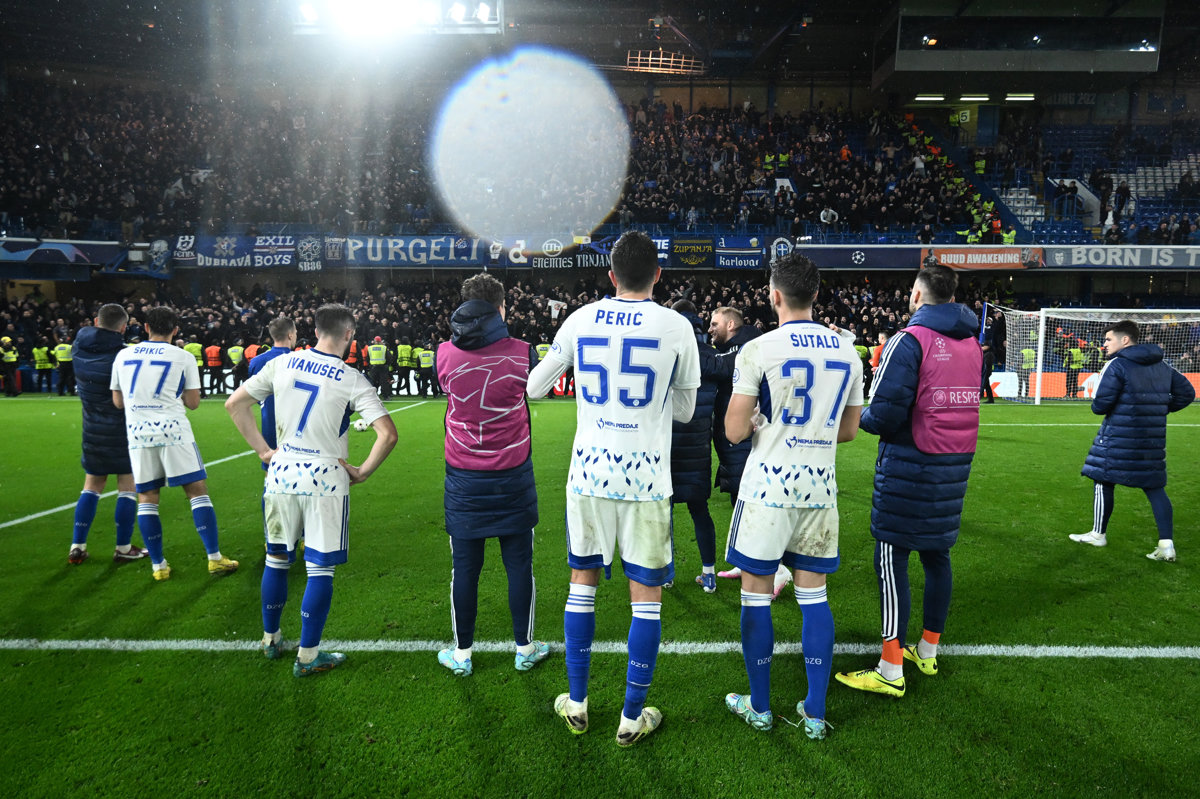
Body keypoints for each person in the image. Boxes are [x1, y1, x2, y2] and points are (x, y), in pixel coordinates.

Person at [526, 230, 700, 747]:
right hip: (646, 474)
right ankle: (631, 716)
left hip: (590, 471)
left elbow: (536, 387)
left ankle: (577, 702)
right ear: (658, 275)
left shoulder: (580, 319)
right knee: (645, 599)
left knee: (582, 584)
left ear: (610, 275)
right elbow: (688, 411)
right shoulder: (675, 325)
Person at [722, 253, 862, 740]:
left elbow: (735, 430)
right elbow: (848, 432)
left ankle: (759, 707)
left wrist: (763, 422)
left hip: (767, 488)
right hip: (819, 488)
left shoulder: (758, 349)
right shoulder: (848, 351)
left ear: (774, 295)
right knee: (814, 597)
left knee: (756, 595)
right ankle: (816, 712)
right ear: (816, 295)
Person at [226, 304, 398, 677]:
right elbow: (388, 434)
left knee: (276, 561)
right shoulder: (351, 378)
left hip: (282, 474)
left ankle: (271, 639)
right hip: (325, 477)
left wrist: (264, 451)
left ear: (315, 330)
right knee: (320, 570)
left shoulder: (283, 363)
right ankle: (307, 656)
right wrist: (364, 472)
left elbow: (234, 404)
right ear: (350, 335)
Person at [835, 264, 981, 699]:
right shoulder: (972, 342)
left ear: (916, 295)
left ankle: (890, 666)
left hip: (910, 465)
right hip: (953, 466)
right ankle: (928, 651)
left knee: (891, 558)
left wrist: (854, 409)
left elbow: (882, 415)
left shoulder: (908, 340)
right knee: (938, 555)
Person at [435, 273, 549, 677]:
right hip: (513, 474)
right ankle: (525, 648)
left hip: (464, 477)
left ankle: (462, 654)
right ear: (502, 307)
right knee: (519, 564)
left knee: (465, 568)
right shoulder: (523, 352)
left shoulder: (443, 354)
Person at [110, 306, 238, 582]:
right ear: (176, 330)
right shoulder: (183, 357)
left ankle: (158, 565)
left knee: (147, 497)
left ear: (145, 327)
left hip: (138, 433)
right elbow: (192, 403)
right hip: (173, 432)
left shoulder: (123, 355)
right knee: (197, 492)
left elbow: (118, 402)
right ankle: (214, 558)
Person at [1069, 320, 1194, 561]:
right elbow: (1187, 393)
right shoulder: (1162, 365)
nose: (1104, 344)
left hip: (1119, 436)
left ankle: (1098, 534)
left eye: (1108, 339)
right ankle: (1167, 545)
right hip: (1151, 438)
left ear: (1124, 340)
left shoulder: (1118, 365)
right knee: (1155, 487)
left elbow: (1100, 406)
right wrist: (1157, 409)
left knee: (1102, 479)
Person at [68, 303, 146, 565]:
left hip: (92, 428)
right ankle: (123, 547)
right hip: (121, 429)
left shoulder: (78, 348)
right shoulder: (123, 356)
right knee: (127, 487)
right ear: (124, 327)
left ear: (95, 321)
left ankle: (77, 545)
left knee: (91, 485)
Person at [667, 300, 720, 593]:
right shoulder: (712, 356)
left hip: (666, 442)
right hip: (699, 444)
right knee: (700, 510)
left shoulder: (666, 349)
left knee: (665, 511)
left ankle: (666, 573)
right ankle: (709, 574)